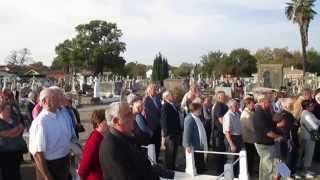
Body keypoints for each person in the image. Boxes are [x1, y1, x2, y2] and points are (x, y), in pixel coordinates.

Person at [99, 102, 160, 180]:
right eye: (128, 115)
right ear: (116, 121)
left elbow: (144, 165)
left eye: (131, 112)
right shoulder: (110, 146)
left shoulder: (128, 137)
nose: (133, 117)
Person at [29, 88, 73, 180]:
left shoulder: (60, 115)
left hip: (63, 162)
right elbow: (37, 154)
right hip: (50, 165)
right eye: (53, 97)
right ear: (44, 101)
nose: (57, 99)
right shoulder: (40, 122)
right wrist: (47, 176)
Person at [253, 94, 283, 180]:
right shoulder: (259, 114)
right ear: (262, 102)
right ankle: (285, 175)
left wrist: (281, 114)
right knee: (272, 167)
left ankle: (284, 174)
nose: (270, 104)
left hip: (268, 143)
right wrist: (278, 137)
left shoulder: (265, 111)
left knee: (265, 167)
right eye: (268, 102)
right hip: (263, 144)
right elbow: (268, 132)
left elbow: (273, 122)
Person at [78, 109, 108, 180]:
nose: (108, 123)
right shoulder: (94, 140)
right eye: (106, 121)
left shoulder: (101, 136)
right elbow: (85, 164)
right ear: (98, 124)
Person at [0, 101, 25, 180]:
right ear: (1, 110)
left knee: (16, 171)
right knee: (7, 173)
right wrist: (16, 130)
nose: (9, 111)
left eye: (10, 109)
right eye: (7, 109)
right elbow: (5, 134)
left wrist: (14, 132)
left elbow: (21, 128)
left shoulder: (13, 118)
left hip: (17, 150)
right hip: (5, 152)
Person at [183, 102, 207, 174]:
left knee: (200, 164)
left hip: (199, 145)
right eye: (200, 109)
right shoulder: (189, 119)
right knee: (196, 165)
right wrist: (187, 145)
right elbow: (187, 133)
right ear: (195, 110)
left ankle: (201, 172)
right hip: (194, 146)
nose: (201, 111)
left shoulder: (197, 117)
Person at [298, 99, 320, 178]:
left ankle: (303, 169)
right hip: (308, 137)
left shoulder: (308, 113)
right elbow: (314, 126)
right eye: (311, 105)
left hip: (307, 136)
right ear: (306, 107)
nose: (313, 107)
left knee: (305, 153)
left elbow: (317, 121)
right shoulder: (306, 114)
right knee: (308, 154)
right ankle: (305, 171)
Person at [160, 91, 182, 170]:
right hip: (170, 134)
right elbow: (164, 120)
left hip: (176, 132)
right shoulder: (165, 106)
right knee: (169, 153)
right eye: (170, 95)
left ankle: (173, 167)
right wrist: (166, 134)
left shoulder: (172, 105)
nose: (172, 96)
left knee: (174, 152)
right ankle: (169, 168)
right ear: (166, 97)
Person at [223, 99, 242, 177]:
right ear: (231, 107)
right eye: (236, 105)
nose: (238, 106)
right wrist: (231, 144)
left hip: (238, 138)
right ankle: (229, 177)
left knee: (237, 159)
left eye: (238, 105)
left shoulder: (237, 114)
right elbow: (227, 132)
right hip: (232, 139)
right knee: (231, 159)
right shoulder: (228, 116)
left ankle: (236, 176)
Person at [143, 84, 162, 161]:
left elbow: (160, 110)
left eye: (155, 89)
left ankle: (157, 158)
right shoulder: (146, 100)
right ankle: (153, 160)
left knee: (158, 143)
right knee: (152, 144)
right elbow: (150, 113)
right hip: (152, 125)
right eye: (154, 89)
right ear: (149, 91)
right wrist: (159, 121)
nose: (155, 91)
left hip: (159, 126)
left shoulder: (157, 98)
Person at [240, 97, 257, 176]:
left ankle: (251, 171)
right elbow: (252, 127)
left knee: (251, 157)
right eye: (253, 103)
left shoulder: (251, 112)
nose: (254, 105)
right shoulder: (246, 114)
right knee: (249, 157)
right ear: (248, 104)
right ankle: (249, 172)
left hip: (252, 139)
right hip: (248, 140)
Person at [212, 91, 228, 174]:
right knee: (219, 153)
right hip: (218, 133)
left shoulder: (224, 105)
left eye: (224, 96)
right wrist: (228, 127)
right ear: (219, 97)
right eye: (223, 96)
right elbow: (221, 119)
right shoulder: (218, 106)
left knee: (222, 152)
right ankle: (219, 171)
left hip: (222, 133)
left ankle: (221, 169)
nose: (224, 97)